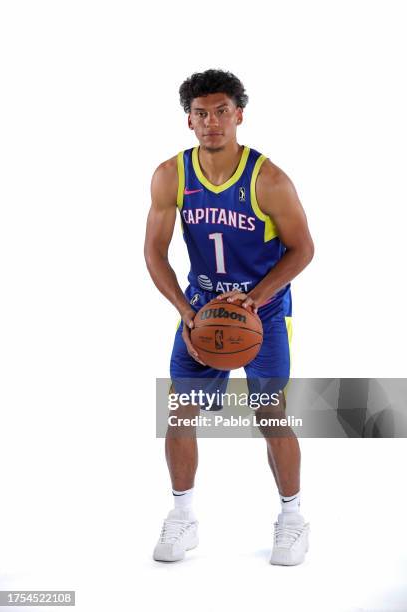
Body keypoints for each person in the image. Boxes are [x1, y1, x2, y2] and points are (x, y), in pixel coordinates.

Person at [144, 69, 314, 565]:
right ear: (188, 121)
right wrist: (186, 311)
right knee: (179, 410)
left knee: (269, 412)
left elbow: (303, 249)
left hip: (262, 309)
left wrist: (256, 298)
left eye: (222, 111)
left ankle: (292, 517)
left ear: (239, 115)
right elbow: (154, 252)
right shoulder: (171, 175)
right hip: (202, 308)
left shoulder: (269, 179)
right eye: (201, 113)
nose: (212, 121)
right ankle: (182, 516)